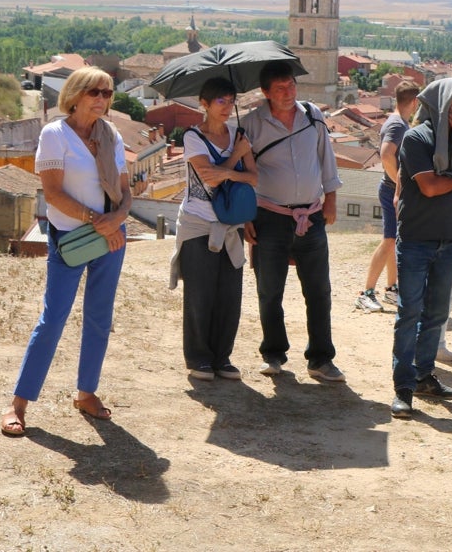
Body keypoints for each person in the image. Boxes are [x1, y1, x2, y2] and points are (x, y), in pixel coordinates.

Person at [2, 67, 131, 436]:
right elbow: (54, 194)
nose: (103, 99)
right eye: (95, 92)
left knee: (99, 318)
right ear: (75, 95)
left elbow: (125, 189)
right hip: (72, 239)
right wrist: (97, 220)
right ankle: (18, 404)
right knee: (52, 319)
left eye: (108, 93)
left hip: (110, 239)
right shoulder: (55, 134)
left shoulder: (111, 135)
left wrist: (117, 218)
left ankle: (86, 393)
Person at [241, 61, 344, 382]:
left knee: (319, 291)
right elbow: (243, 175)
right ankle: (273, 354)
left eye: (291, 86)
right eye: (281, 89)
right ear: (266, 93)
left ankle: (321, 359)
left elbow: (325, 158)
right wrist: (245, 217)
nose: (289, 93)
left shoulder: (313, 116)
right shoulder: (251, 124)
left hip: (311, 216)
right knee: (269, 290)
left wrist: (331, 199)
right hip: (268, 216)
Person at [390, 78, 452, 418]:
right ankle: (403, 387)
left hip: (449, 239)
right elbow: (429, 187)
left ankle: (425, 375)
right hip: (416, 238)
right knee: (409, 313)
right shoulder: (416, 137)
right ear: (438, 103)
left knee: (437, 314)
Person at [172, 77, 257, 381]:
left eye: (231, 101)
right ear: (204, 104)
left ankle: (222, 357)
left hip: (230, 223)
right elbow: (208, 178)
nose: (227, 107)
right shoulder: (193, 137)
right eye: (220, 101)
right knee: (200, 293)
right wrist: (235, 158)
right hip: (198, 224)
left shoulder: (239, 133)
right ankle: (198, 359)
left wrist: (229, 171)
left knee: (229, 295)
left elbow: (254, 177)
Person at [356, 78, 420, 312]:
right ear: (414, 102)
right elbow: (385, 155)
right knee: (389, 240)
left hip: (392, 189)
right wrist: (400, 184)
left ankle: (391, 289)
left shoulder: (397, 122)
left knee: (394, 240)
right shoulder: (397, 125)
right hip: (391, 190)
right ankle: (366, 293)